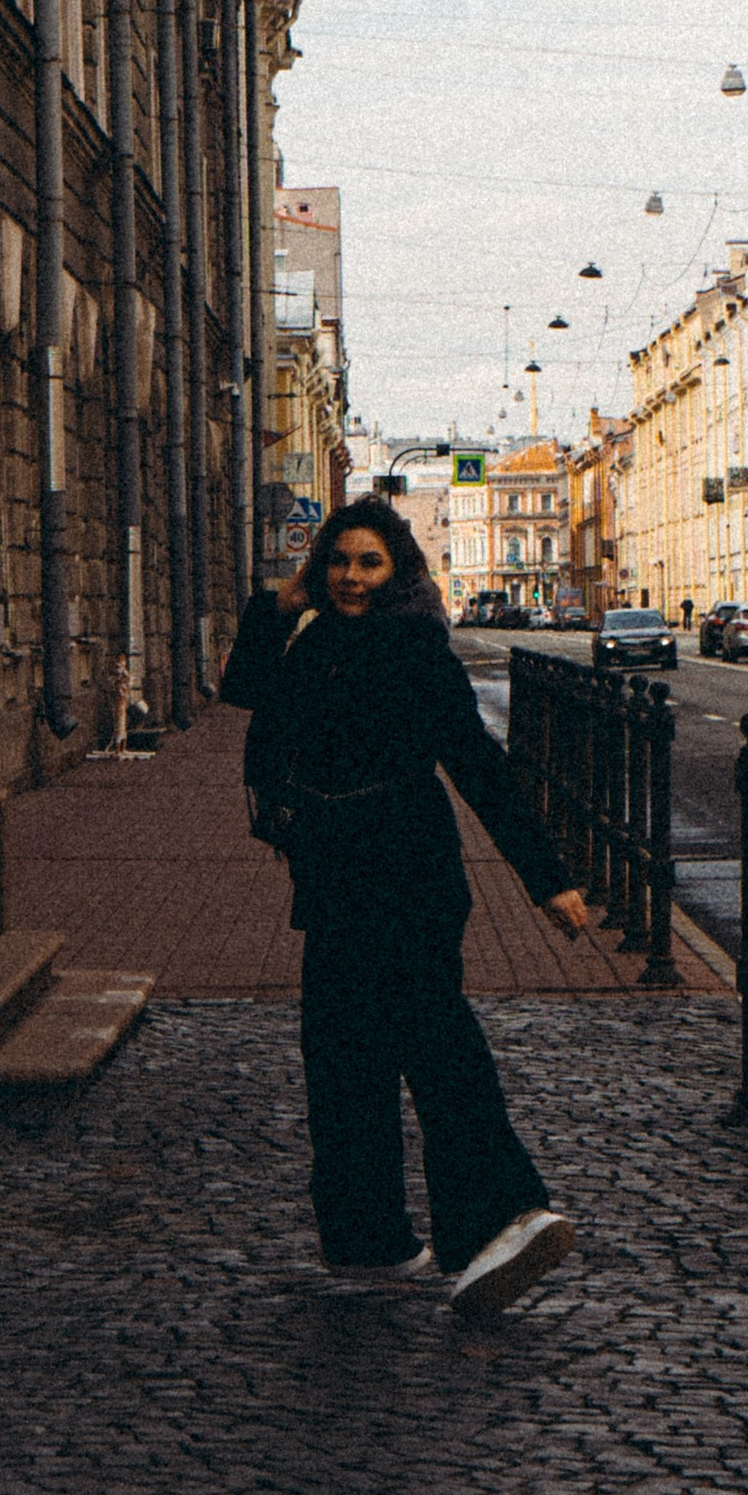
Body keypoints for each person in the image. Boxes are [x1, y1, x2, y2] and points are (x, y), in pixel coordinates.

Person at [222, 498, 589, 1321]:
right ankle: (367, 1236)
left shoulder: (418, 646)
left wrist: (547, 877)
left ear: (399, 572)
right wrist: (272, 605)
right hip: (331, 876)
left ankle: (502, 1218)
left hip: (408, 874)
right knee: (341, 1051)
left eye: (369, 564)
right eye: (341, 562)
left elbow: (476, 763)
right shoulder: (309, 634)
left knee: (432, 1036)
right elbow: (242, 690)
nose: (352, 578)